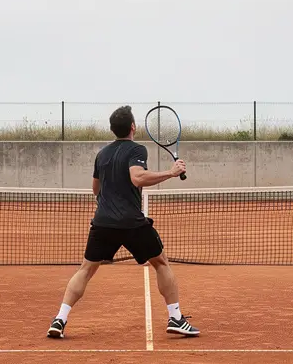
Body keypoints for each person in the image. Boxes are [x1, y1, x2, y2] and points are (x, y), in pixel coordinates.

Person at [47, 105, 200, 339]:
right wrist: (170, 173)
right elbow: (137, 177)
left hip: (103, 222)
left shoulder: (102, 154)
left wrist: (110, 202)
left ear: (112, 129)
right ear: (133, 127)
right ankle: (175, 317)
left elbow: (95, 189)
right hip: (131, 223)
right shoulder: (136, 149)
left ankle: (60, 319)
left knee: (86, 269)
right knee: (161, 263)